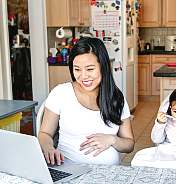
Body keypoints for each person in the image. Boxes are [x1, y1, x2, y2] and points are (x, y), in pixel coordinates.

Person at [38, 37, 134, 166]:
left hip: (108, 174)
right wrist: (49, 148)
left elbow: (129, 144)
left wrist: (112, 140)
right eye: (77, 69)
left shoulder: (116, 98)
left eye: (90, 69)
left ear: (103, 67)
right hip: (69, 168)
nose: (83, 76)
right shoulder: (61, 93)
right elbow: (45, 133)